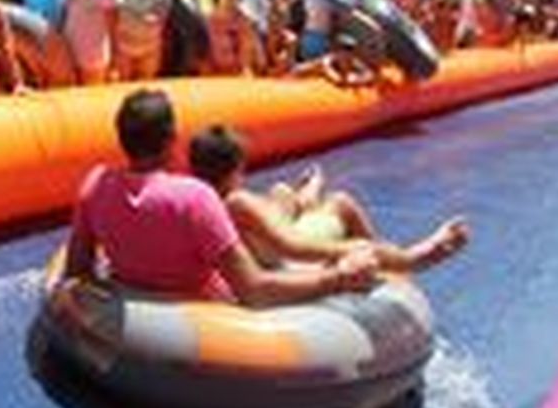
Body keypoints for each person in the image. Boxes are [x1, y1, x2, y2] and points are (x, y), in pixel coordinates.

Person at [62, 89, 377, 305]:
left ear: (122, 139)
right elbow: (254, 290)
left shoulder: (95, 185)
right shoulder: (194, 198)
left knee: (283, 201)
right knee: (336, 206)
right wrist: (336, 279)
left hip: (137, 305)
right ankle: (388, 271)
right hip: (209, 319)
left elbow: (76, 270)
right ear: (172, 141)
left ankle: (304, 195)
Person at [188, 125, 468, 275]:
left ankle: (307, 192)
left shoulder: (199, 199)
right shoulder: (238, 201)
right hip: (282, 260)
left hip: (267, 244)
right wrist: (356, 250)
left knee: (281, 192)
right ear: (237, 168)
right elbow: (294, 248)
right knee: (342, 202)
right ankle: (407, 261)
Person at [206, 0, 261, 75]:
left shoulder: (243, 21)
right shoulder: (208, 21)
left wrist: (246, 69)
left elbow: (248, 52)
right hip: (211, 75)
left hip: (237, 74)